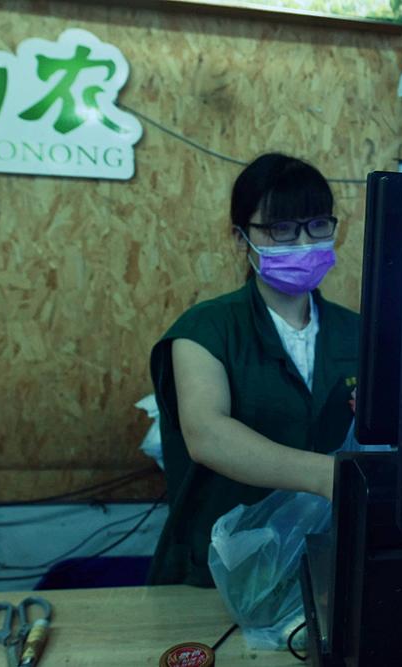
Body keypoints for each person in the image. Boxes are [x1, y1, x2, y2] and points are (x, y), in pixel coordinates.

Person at [147, 153, 359, 586]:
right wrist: (327, 476)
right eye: (282, 228)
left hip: (328, 566)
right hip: (221, 570)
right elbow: (207, 434)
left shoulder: (358, 333)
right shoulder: (205, 329)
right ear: (241, 238)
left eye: (318, 225)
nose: (303, 243)